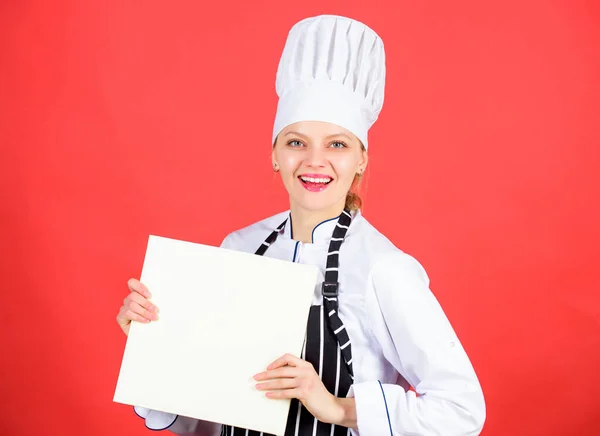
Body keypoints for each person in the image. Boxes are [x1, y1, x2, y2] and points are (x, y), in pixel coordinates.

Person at [116, 14, 486, 436]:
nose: (314, 161)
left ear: (361, 159)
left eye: (338, 145)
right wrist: (152, 343)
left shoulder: (384, 268)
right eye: (296, 142)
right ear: (275, 154)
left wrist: (335, 407)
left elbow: (461, 412)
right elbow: (201, 418)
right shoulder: (239, 248)